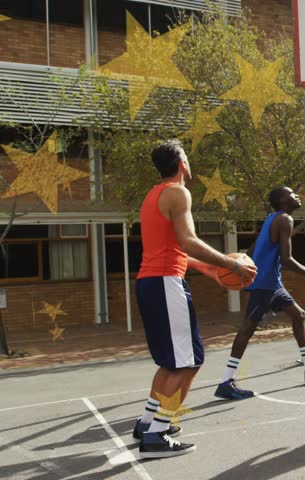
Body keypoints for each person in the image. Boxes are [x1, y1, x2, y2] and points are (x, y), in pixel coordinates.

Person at [133, 140, 256, 458]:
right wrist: (232, 266)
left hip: (152, 281)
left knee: (170, 363)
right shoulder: (178, 191)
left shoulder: (153, 195)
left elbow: (173, 249)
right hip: (165, 284)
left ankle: (148, 423)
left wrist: (210, 270)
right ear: (182, 164)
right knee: (189, 362)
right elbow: (188, 241)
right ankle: (157, 434)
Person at [214, 186, 305, 400]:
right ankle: (226, 381)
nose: (297, 195)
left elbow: (253, 249)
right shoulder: (284, 220)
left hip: (272, 283)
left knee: (299, 315)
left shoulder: (272, 218)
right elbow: (287, 260)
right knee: (247, 329)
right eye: (291, 193)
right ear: (282, 200)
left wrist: (243, 265)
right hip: (264, 284)